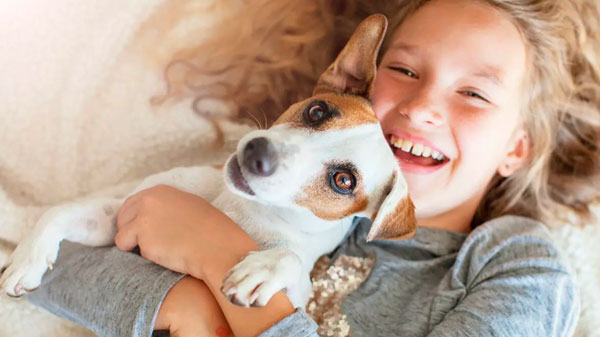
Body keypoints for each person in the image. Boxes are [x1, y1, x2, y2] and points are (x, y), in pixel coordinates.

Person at [24, 0, 600, 336]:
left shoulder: (517, 262)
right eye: (404, 69)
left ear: (516, 149)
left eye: (474, 94)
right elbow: (47, 271)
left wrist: (215, 266)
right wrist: (195, 305)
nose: (422, 107)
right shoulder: (277, 186)